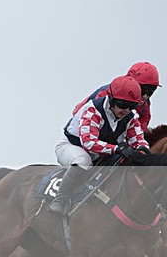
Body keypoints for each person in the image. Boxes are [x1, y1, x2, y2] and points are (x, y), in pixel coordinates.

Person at [49, 75, 150, 215]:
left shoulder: (131, 118)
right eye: (122, 105)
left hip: (100, 154)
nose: (126, 110)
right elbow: (89, 142)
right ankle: (60, 198)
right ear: (112, 100)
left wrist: (143, 150)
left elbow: (137, 139)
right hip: (72, 147)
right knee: (83, 161)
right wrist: (117, 148)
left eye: (131, 106)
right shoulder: (93, 110)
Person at [71, 62, 160, 131]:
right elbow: (96, 114)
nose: (145, 96)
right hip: (82, 124)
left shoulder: (145, 104)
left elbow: (144, 119)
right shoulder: (108, 93)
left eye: (150, 92)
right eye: (143, 90)